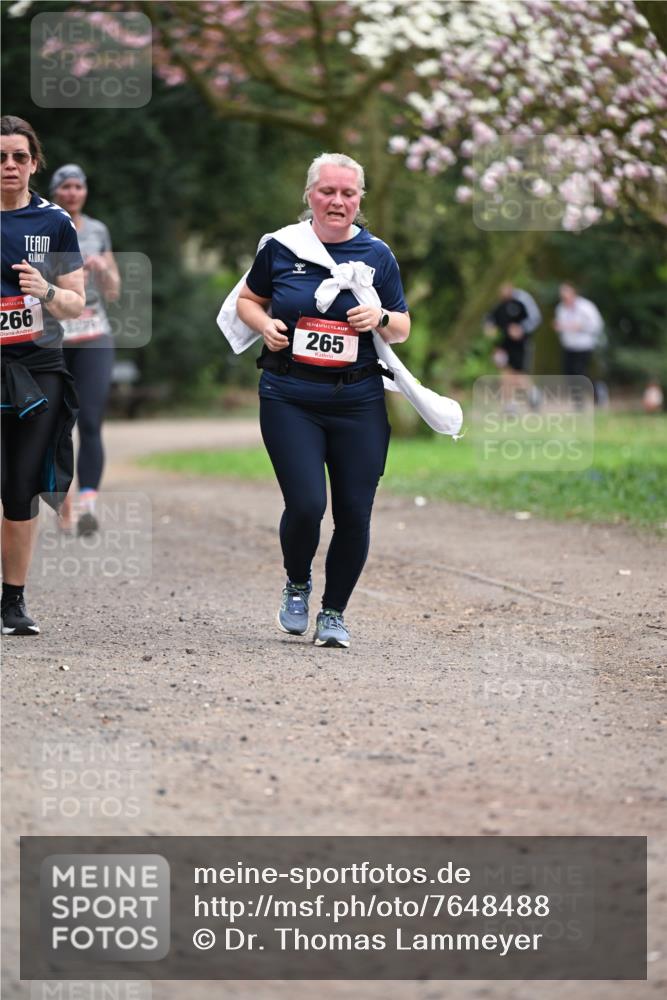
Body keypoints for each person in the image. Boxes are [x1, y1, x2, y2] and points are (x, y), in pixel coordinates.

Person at [236, 153, 410, 649]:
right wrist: (264, 324)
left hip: (358, 400)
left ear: (359, 200)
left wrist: (377, 318)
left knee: (354, 512)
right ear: (310, 195)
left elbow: (402, 325)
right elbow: (248, 299)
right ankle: (297, 583)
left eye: (348, 193)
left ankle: (333, 613)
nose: (338, 201)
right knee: (308, 504)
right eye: (328, 192)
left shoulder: (378, 255)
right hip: (289, 394)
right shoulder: (282, 247)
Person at [1, 116, 84, 635]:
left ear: (35, 163)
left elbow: (76, 304)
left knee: (20, 486)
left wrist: (46, 291)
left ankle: (12, 601)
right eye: (0, 157)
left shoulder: (54, 222)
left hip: (37, 370)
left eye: (19, 157)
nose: (9, 166)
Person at [50, 164, 121, 536]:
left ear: (85, 192)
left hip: (94, 333)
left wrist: (100, 269)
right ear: (56, 191)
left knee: (91, 421)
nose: (73, 193)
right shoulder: (43, 224)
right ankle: (64, 507)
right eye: (66, 187)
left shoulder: (97, 231)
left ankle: (89, 503)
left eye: (79, 186)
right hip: (55, 336)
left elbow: (114, 290)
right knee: (59, 424)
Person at [484, 283, 542, 408]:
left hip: (521, 344)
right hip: (504, 345)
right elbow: (490, 319)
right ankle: (509, 404)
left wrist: (521, 329)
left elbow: (535, 318)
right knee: (505, 373)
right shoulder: (499, 304)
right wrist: (489, 328)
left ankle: (533, 394)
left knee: (519, 374)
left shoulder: (522, 300)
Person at [554, 282, 604, 384]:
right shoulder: (560, 308)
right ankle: (577, 397)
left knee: (580, 372)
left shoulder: (586, 306)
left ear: (573, 292)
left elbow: (597, 325)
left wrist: (582, 327)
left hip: (584, 345)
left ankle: (596, 391)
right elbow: (562, 325)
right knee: (568, 373)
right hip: (568, 345)